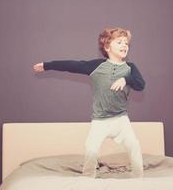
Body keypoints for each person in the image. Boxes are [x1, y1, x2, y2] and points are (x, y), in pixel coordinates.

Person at [33, 27, 145, 178]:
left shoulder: (130, 68)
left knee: (134, 146)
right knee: (91, 149)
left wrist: (125, 79)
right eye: (119, 42)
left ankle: (139, 178)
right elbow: (71, 66)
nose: (124, 45)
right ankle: (87, 178)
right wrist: (48, 65)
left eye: (126, 43)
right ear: (107, 47)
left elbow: (140, 84)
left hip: (121, 119)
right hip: (100, 121)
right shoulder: (96, 66)